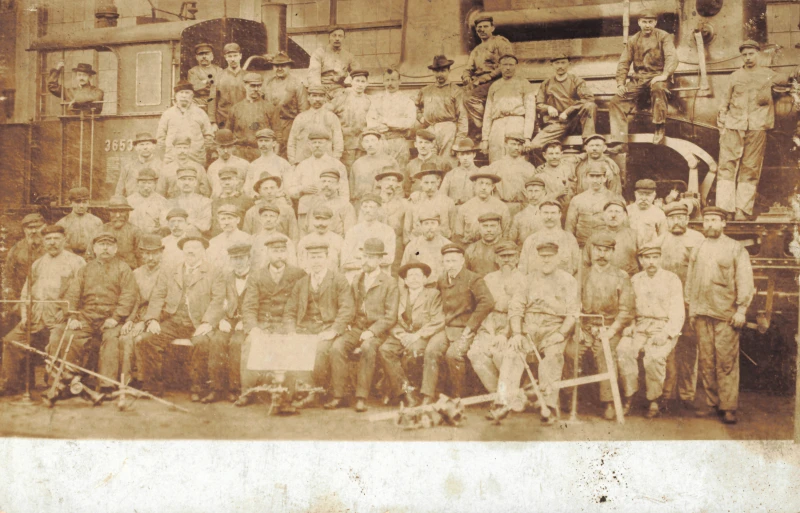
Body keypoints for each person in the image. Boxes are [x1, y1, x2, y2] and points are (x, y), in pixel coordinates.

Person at [685, 206, 754, 424]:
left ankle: (728, 407)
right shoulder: (698, 248)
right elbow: (690, 281)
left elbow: (745, 281)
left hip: (726, 315)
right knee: (707, 361)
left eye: (715, 220)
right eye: (707, 220)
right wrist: (692, 310)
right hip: (702, 313)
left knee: (725, 362)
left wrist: (741, 310)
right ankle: (712, 403)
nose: (710, 224)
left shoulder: (735, 249)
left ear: (724, 223)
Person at [136, 236, 225, 399]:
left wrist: (207, 322)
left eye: (195, 248)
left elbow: (218, 299)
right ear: (182, 251)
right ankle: (153, 386)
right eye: (187, 248)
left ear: (203, 251)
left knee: (201, 342)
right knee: (147, 339)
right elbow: (158, 295)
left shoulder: (214, 272)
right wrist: (153, 319)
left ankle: (198, 388)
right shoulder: (170, 270)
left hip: (198, 321)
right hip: (174, 320)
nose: (191, 251)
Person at [0, 225, 85, 395]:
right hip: (36, 317)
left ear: (64, 240)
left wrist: (68, 313)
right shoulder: (38, 264)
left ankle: (56, 386)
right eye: (48, 239)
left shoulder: (77, 262)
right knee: (11, 341)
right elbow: (26, 292)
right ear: (44, 242)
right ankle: (11, 385)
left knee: (56, 340)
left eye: (56, 239)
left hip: (60, 318)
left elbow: (84, 293)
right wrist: (25, 315)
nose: (52, 243)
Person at [49, 233, 137, 389]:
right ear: (94, 249)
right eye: (101, 245)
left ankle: (107, 384)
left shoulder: (123, 269)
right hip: (87, 317)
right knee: (70, 336)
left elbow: (128, 296)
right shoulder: (85, 269)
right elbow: (72, 295)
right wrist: (73, 317)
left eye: (109, 245)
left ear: (115, 249)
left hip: (111, 318)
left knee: (111, 339)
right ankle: (69, 382)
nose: (105, 248)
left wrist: (116, 318)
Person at [505, 240, 579, 423]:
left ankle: (549, 406)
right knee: (512, 352)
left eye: (550, 256)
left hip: (554, 329)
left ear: (558, 258)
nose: (546, 260)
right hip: (529, 329)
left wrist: (561, 334)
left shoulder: (568, 280)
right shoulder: (527, 279)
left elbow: (573, 313)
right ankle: (503, 402)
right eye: (542, 257)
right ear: (537, 258)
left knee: (553, 357)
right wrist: (517, 333)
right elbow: (515, 308)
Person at [717, 40, 790, 220]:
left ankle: (741, 210)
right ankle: (724, 210)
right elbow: (723, 103)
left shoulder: (769, 75)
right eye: (745, 55)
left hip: (757, 127)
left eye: (751, 54)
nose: (748, 58)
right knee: (726, 167)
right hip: (733, 126)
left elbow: (788, 78)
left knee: (750, 168)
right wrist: (722, 127)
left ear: (758, 54)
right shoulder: (734, 77)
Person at [565, 232, 634, 421]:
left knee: (605, 352)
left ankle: (608, 401)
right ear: (592, 251)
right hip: (585, 326)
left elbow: (626, 310)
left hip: (609, 326)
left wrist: (611, 331)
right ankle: (570, 396)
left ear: (612, 252)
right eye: (598, 250)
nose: (602, 255)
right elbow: (574, 305)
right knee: (571, 352)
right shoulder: (582, 274)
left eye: (606, 251)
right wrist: (578, 328)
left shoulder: (621, 276)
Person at [326, 238, 399, 412]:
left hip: (379, 332)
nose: (365, 261)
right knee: (337, 347)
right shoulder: (357, 279)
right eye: (364, 256)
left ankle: (361, 397)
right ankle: (339, 396)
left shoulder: (389, 283)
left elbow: (390, 317)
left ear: (380, 260)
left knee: (367, 347)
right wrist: (347, 326)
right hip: (357, 328)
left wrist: (372, 331)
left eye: (370, 257)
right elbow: (351, 307)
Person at [236, 236, 307, 407]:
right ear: (267, 253)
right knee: (250, 344)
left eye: (282, 251)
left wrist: (292, 328)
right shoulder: (257, 276)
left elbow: (301, 304)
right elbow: (249, 306)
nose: (279, 255)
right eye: (275, 251)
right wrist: (253, 328)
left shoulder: (298, 274)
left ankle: (288, 394)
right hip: (263, 324)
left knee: (292, 344)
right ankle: (247, 391)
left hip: (286, 324)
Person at [617, 243, 685, 418]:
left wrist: (666, 334)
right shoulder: (635, 280)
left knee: (654, 357)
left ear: (661, 258)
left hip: (663, 326)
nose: (651, 262)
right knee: (623, 350)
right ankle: (630, 395)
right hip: (640, 326)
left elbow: (678, 312)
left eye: (655, 257)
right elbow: (630, 307)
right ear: (641, 260)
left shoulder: (671, 279)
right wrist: (631, 325)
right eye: (647, 258)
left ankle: (654, 399)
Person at [284, 242, 354, 399]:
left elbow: (347, 309)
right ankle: (298, 391)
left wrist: (333, 330)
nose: (316, 261)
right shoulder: (301, 283)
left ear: (327, 258)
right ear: (307, 260)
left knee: (319, 351)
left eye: (319, 257)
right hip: (305, 329)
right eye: (312, 257)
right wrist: (291, 331)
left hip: (327, 329)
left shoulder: (339, 280)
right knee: (291, 347)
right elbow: (289, 311)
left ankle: (318, 392)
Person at [467, 241, 527, 414]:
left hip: (513, 326)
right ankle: (502, 395)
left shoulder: (524, 279)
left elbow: (519, 312)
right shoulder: (489, 279)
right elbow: (483, 306)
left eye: (510, 256)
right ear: (496, 259)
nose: (506, 260)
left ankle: (503, 400)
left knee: (501, 354)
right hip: (489, 323)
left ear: (517, 258)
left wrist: (505, 333)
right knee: (475, 353)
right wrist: (487, 331)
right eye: (502, 256)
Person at [379, 261, 445, 406]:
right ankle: (407, 392)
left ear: (425, 279)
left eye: (418, 275)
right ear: (405, 280)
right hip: (402, 334)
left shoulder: (433, 295)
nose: (414, 279)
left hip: (421, 335)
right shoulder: (398, 294)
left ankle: (391, 388)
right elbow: (390, 317)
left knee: (412, 351)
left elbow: (438, 320)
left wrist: (417, 335)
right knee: (385, 350)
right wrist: (399, 333)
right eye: (410, 276)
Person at [659, 202, 705, 413]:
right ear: (667, 220)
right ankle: (666, 395)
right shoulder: (659, 241)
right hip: (666, 305)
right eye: (672, 218)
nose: (676, 222)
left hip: (689, 303)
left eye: (681, 217)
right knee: (668, 348)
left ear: (687, 219)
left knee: (689, 348)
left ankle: (687, 395)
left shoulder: (698, 239)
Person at [608, 10, 677, 146]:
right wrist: (620, 83)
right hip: (639, 79)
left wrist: (664, 75)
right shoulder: (633, 40)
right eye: (644, 22)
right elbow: (624, 62)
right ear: (639, 22)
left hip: (657, 76)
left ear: (655, 22)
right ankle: (619, 141)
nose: (647, 25)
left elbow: (671, 56)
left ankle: (659, 126)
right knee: (616, 101)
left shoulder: (663, 36)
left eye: (650, 22)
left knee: (658, 89)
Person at [437, 243, 495, 400]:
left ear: (462, 261)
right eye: (447, 261)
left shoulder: (473, 279)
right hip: (447, 328)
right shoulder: (442, 280)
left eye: (454, 261)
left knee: (453, 354)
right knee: (432, 350)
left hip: (467, 329)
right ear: (443, 262)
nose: (450, 265)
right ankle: (435, 394)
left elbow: (487, 302)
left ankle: (459, 396)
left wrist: (471, 326)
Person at [206, 243, 252, 403]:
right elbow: (217, 300)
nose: (238, 262)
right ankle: (216, 388)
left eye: (241, 258)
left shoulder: (257, 277)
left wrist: (246, 322)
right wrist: (221, 320)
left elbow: (260, 303)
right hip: (228, 319)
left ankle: (235, 389)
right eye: (234, 259)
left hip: (247, 321)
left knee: (237, 343)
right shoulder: (225, 277)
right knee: (217, 341)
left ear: (249, 259)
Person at [118, 234, 165, 385]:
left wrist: (145, 322)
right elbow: (134, 299)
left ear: (161, 252)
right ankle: (126, 381)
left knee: (140, 339)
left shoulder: (168, 272)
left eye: (154, 253)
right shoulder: (136, 273)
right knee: (125, 338)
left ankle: (143, 380)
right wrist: (130, 320)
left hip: (159, 317)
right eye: (146, 253)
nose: (150, 258)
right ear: (141, 254)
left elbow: (166, 303)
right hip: (139, 315)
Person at [530, 53, 597, 154]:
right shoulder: (546, 83)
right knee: (534, 146)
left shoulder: (576, 80)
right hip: (557, 123)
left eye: (563, 63)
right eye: (557, 63)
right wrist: (548, 108)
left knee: (590, 106)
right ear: (552, 65)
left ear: (569, 64)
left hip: (576, 121)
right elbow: (539, 104)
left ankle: (588, 143)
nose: (560, 66)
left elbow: (589, 98)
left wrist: (568, 111)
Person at [461, 14, 514, 132]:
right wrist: (466, 76)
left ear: (492, 28)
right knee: (460, 96)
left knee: (470, 98)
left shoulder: (500, 42)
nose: (482, 30)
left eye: (485, 26)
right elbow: (468, 68)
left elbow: (506, 64)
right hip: (480, 82)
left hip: (497, 80)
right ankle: (471, 130)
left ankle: (484, 126)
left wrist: (488, 77)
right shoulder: (476, 50)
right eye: (479, 28)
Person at [481, 54, 536, 163]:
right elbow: (488, 113)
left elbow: (530, 111)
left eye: (511, 65)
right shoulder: (494, 86)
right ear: (500, 66)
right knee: (496, 158)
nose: (508, 68)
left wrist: (527, 137)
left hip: (517, 122)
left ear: (516, 66)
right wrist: (485, 138)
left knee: (516, 157)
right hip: (497, 125)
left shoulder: (524, 83)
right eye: (505, 65)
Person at [291, 129, 349, 227]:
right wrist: (302, 189)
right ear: (309, 145)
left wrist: (340, 211)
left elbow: (344, 193)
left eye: (320, 142)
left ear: (327, 144)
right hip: (306, 210)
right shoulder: (302, 165)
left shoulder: (337, 165)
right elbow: (291, 191)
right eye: (314, 143)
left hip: (330, 212)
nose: (317, 145)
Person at [415, 55, 468, 157]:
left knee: (446, 161)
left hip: (448, 130)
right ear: (433, 72)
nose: (440, 74)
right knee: (430, 160)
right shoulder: (425, 91)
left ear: (449, 71)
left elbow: (462, 117)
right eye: (437, 71)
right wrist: (421, 118)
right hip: (430, 130)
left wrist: (459, 140)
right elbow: (417, 108)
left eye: (443, 71)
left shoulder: (456, 91)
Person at [366, 68, 417, 171]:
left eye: (393, 80)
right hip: (381, 142)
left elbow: (409, 122)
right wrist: (395, 124)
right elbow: (370, 122)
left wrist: (385, 121)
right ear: (383, 82)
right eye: (387, 80)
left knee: (400, 171)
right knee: (379, 171)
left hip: (399, 142)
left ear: (399, 81)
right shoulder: (376, 100)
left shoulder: (407, 101)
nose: (390, 83)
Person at [262, 51, 309, 157]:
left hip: (289, 125)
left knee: (286, 155)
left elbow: (303, 110)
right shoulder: (268, 83)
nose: (279, 68)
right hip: (270, 125)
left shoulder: (297, 84)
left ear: (289, 67)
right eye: (276, 66)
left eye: (283, 66)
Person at [156, 80, 213, 165]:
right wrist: (168, 154)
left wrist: (199, 151)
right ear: (175, 95)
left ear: (192, 95)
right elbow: (161, 138)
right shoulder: (167, 114)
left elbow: (208, 137)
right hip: (172, 159)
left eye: (187, 93)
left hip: (196, 159)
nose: (184, 96)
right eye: (181, 92)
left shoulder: (200, 113)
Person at [519, 199, 580, 276]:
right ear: (539, 214)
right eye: (546, 213)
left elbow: (577, 268)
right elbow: (522, 270)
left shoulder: (569, 239)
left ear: (560, 214)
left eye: (553, 213)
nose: (549, 217)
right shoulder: (530, 240)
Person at [341, 195, 396, 280]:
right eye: (365, 207)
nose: (367, 210)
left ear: (379, 209)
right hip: (355, 276)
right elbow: (345, 261)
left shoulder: (388, 231)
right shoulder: (352, 231)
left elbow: (389, 259)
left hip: (379, 278)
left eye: (371, 207)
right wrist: (372, 261)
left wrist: (359, 258)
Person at [565, 163, 621, 247]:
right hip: (582, 245)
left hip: (606, 246)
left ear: (605, 178)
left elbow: (622, 228)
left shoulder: (614, 199)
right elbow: (569, 228)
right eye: (592, 176)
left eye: (598, 176)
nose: (595, 180)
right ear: (586, 178)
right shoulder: (577, 200)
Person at [287, 86, 344, 165]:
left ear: (325, 98)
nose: (317, 99)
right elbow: (292, 140)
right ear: (308, 97)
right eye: (314, 96)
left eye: (321, 96)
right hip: (303, 161)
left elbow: (338, 141)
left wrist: (335, 160)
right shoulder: (300, 117)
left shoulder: (331, 117)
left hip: (325, 162)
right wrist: (292, 160)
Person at [327, 69, 371, 170]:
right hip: (346, 144)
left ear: (367, 83)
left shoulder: (369, 100)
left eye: (363, 81)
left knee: (362, 171)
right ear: (351, 81)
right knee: (346, 171)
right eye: (357, 81)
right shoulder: (342, 98)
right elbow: (327, 113)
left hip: (363, 145)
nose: (360, 84)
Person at [485, 132, 537, 215]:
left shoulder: (529, 167)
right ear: (505, 145)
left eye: (519, 145)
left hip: (524, 208)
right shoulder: (496, 166)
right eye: (513, 144)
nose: (516, 148)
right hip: (502, 207)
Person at [85, 196, 143, 271]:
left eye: (121, 211)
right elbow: (89, 255)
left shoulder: (135, 232)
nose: (118, 215)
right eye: (114, 211)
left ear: (127, 213)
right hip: (104, 272)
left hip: (128, 272)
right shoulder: (101, 230)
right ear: (109, 213)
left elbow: (141, 258)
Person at [405, 163, 457, 243]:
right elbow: (407, 229)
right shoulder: (414, 200)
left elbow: (453, 229)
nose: (429, 187)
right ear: (421, 183)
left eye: (433, 182)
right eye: (426, 183)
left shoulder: (448, 202)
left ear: (438, 182)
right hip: (419, 244)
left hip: (441, 244)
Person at [454, 172, 510, 245]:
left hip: (495, 247)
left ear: (492, 187)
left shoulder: (502, 207)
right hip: (470, 246)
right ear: (474, 185)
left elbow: (506, 235)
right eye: (480, 183)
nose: (483, 187)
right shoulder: (464, 208)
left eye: (487, 184)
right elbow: (458, 234)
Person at [228, 73, 272, 162]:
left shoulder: (269, 107)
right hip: (239, 153)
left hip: (261, 153)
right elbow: (228, 133)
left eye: (259, 86)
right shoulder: (236, 108)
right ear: (245, 86)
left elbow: (277, 135)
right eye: (252, 86)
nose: (256, 89)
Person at [307, 26, 360, 100]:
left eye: (340, 36)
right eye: (334, 35)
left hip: (339, 89)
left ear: (344, 38)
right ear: (329, 37)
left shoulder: (349, 56)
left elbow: (358, 74)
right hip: (322, 88)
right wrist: (318, 91)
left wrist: (350, 84)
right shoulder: (319, 53)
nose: (337, 38)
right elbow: (314, 74)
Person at [300, 170, 356, 238]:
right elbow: (304, 230)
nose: (326, 185)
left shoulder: (345, 206)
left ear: (338, 185)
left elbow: (350, 234)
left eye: (330, 182)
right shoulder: (314, 203)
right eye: (323, 181)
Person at [401, 211, 451, 287]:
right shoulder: (412, 246)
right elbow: (402, 273)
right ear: (421, 226)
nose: (430, 227)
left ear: (439, 226)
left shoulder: (447, 245)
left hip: (442, 287)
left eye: (433, 223)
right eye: (426, 224)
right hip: (419, 288)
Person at [242, 174, 298, 240]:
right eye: (265, 188)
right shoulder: (251, 212)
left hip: (280, 245)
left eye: (272, 188)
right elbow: (246, 237)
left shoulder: (288, 210)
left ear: (277, 189)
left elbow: (294, 236)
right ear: (259, 191)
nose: (269, 191)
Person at [375, 169, 409, 274]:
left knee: (395, 272)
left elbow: (407, 228)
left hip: (396, 244)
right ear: (379, 182)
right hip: (376, 243)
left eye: (394, 181)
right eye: (387, 180)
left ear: (398, 184)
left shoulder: (404, 204)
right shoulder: (372, 202)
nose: (390, 183)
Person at [5, 213, 46, 300]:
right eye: (30, 228)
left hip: (46, 295)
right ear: (24, 230)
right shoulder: (16, 249)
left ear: (44, 227)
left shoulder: (52, 247)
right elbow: (8, 275)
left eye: (37, 227)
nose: (34, 231)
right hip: (21, 295)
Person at [244, 128, 294, 198]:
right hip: (259, 201)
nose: (263, 144)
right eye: (260, 141)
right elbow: (247, 189)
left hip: (278, 200)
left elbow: (289, 188)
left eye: (266, 141)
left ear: (274, 143)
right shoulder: (253, 165)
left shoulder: (283, 163)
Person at [595, 199, 639, 276]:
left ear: (625, 215)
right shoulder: (595, 236)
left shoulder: (635, 235)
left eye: (617, 212)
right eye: (610, 211)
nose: (613, 215)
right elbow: (586, 263)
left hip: (629, 278)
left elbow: (644, 261)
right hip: (603, 278)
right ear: (604, 215)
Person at [349, 129, 394, 202]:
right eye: (366, 141)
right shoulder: (357, 163)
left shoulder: (389, 161)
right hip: (362, 203)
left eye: (373, 140)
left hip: (382, 202)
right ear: (362, 144)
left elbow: (397, 187)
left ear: (379, 142)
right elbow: (352, 187)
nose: (370, 144)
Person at [57, 187, 103, 257]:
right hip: (70, 258)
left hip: (92, 257)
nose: (81, 206)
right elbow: (61, 245)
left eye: (84, 202)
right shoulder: (62, 223)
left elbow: (100, 243)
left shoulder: (97, 222)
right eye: (77, 202)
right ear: (71, 203)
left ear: (88, 203)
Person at [209, 167, 254, 238]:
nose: (227, 183)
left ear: (237, 181)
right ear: (219, 182)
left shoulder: (246, 200)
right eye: (223, 179)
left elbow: (251, 224)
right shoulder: (214, 202)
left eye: (230, 179)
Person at [116, 132, 163, 197]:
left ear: (154, 146)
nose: (145, 147)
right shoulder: (128, 167)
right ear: (136, 147)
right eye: (141, 144)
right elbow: (119, 192)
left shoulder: (162, 167)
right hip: (131, 202)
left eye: (148, 144)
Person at [187, 42, 224, 126]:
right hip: (200, 103)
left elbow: (219, 87)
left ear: (212, 56)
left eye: (207, 54)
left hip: (217, 103)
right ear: (196, 57)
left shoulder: (219, 70)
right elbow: (195, 87)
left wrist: (203, 83)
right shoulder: (193, 71)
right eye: (201, 54)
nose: (204, 56)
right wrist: (210, 83)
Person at [297, 206, 344, 272]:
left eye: (324, 219)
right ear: (312, 221)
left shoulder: (338, 240)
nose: (320, 223)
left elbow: (342, 267)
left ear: (331, 221)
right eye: (317, 219)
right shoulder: (304, 241)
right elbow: (300, 265)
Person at [207, 204, 252, 272]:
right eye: (223, 219)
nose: (226, 222)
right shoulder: (213, 242)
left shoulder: (247, 239)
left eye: (230, 218)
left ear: (238, 220)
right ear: (219, 221)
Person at [169, 167, 213, 234]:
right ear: (177, 182)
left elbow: (205, 226)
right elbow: (167, 225)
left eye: (190, 179)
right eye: (183, 179)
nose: (186, 183)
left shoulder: (205, 202)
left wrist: (187, 221)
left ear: (195, 182)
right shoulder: (170, 203)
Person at [207, 129, 249, 198]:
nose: (226, 151)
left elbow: (248, 190)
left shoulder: (244, 165)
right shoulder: (212, 168)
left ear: (233, 147)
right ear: (216, 147)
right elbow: (211, 192)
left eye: (229, 147)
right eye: (222, 147)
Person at [128, 168, 170, 234]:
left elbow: (165, 225)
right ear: (137, 183)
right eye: (143, 183)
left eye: (149, 183)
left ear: (155, 184)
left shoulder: (162, 202)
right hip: (133, 236)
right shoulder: (129, 201)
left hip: (154, 237)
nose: (146, 187)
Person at [508, 177, 547, 247]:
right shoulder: (519, 216)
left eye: (536, 191)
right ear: (526, 193)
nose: (533, 195)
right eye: (530, 191)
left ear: (543, 193)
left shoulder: (550, 215)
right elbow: (511, 241)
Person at [216, 42, 247, 130]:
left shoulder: (247, 76)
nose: (233, 59)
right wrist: (212, 122)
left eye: (235, 56)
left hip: (243, 118)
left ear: (240, 56)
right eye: (229, 56)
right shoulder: (218, 76)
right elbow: (212, 99)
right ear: (225, 57)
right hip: (224, 119)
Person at [440, 138, 479, 206]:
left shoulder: (480, 173)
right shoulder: (450, 175)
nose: (465, 158)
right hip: (454, 209)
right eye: (462, 154)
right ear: (458, 155)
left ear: (474, 154)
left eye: (468, 154)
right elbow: (442, 197)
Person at [627, 179, 666, 246]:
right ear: (635, 194)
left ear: (654, 196)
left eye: (648, 195)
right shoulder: (627, 211)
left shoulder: (659, 214)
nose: (644, 198)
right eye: (641, 194)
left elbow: (663, 237)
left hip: (650, 250)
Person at [465, 213, 503, 277]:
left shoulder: (506, 247)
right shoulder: (471, 249)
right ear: (479, 229)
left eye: (492, 226)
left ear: (498, 228)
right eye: (485, 226)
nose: (489, 230)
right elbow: (465, 273)